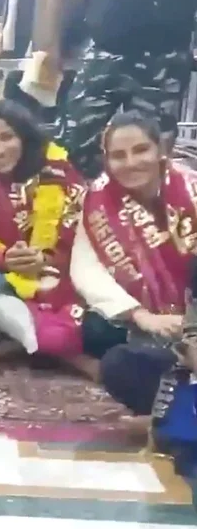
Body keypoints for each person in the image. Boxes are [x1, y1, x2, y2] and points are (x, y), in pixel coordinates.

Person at [0, 100, 96, 377]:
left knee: (93, 326)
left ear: (23, 136)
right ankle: (66, 355)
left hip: (58, 276)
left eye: (7, 137)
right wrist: (2, 259)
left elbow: (83, 230)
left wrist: (45, 258)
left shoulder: (59, 173)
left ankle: (4, 349)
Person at [73, 112, 197, 417]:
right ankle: (176, 410)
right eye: (118, 155)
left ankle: (177, 410)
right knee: (109, 353)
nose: (130, 163)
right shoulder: (98, 203)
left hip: (191, 322)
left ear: (161, 149)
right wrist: (141, 315)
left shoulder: (191, 190)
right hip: (152, 329)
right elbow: (86, 270)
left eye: (141, 150)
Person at [25, 0, 197, 179]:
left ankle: (139, 206)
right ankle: (83, 199)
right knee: (72, 142)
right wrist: (53, 43)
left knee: (152, 150)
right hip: (105, 47)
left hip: (166, 54)